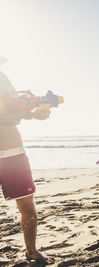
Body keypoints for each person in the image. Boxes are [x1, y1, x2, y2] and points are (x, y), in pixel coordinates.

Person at [0, 71, 51, 264]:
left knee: (28, 209)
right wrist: (23, 112)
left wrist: (35, 113)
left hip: (13, 153)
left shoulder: (3, 77)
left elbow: (13, 106)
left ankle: (31, 251)